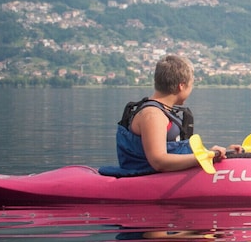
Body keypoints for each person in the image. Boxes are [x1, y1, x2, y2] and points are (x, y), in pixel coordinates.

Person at [101, 55, 240, 176]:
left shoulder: (164, 112)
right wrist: (203, 157)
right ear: (181, 86)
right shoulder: (153, 115)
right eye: (191, 85)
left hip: (164, 175)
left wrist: (223, 152)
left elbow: (176, 152)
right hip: (146, 179)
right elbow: (159, 161)